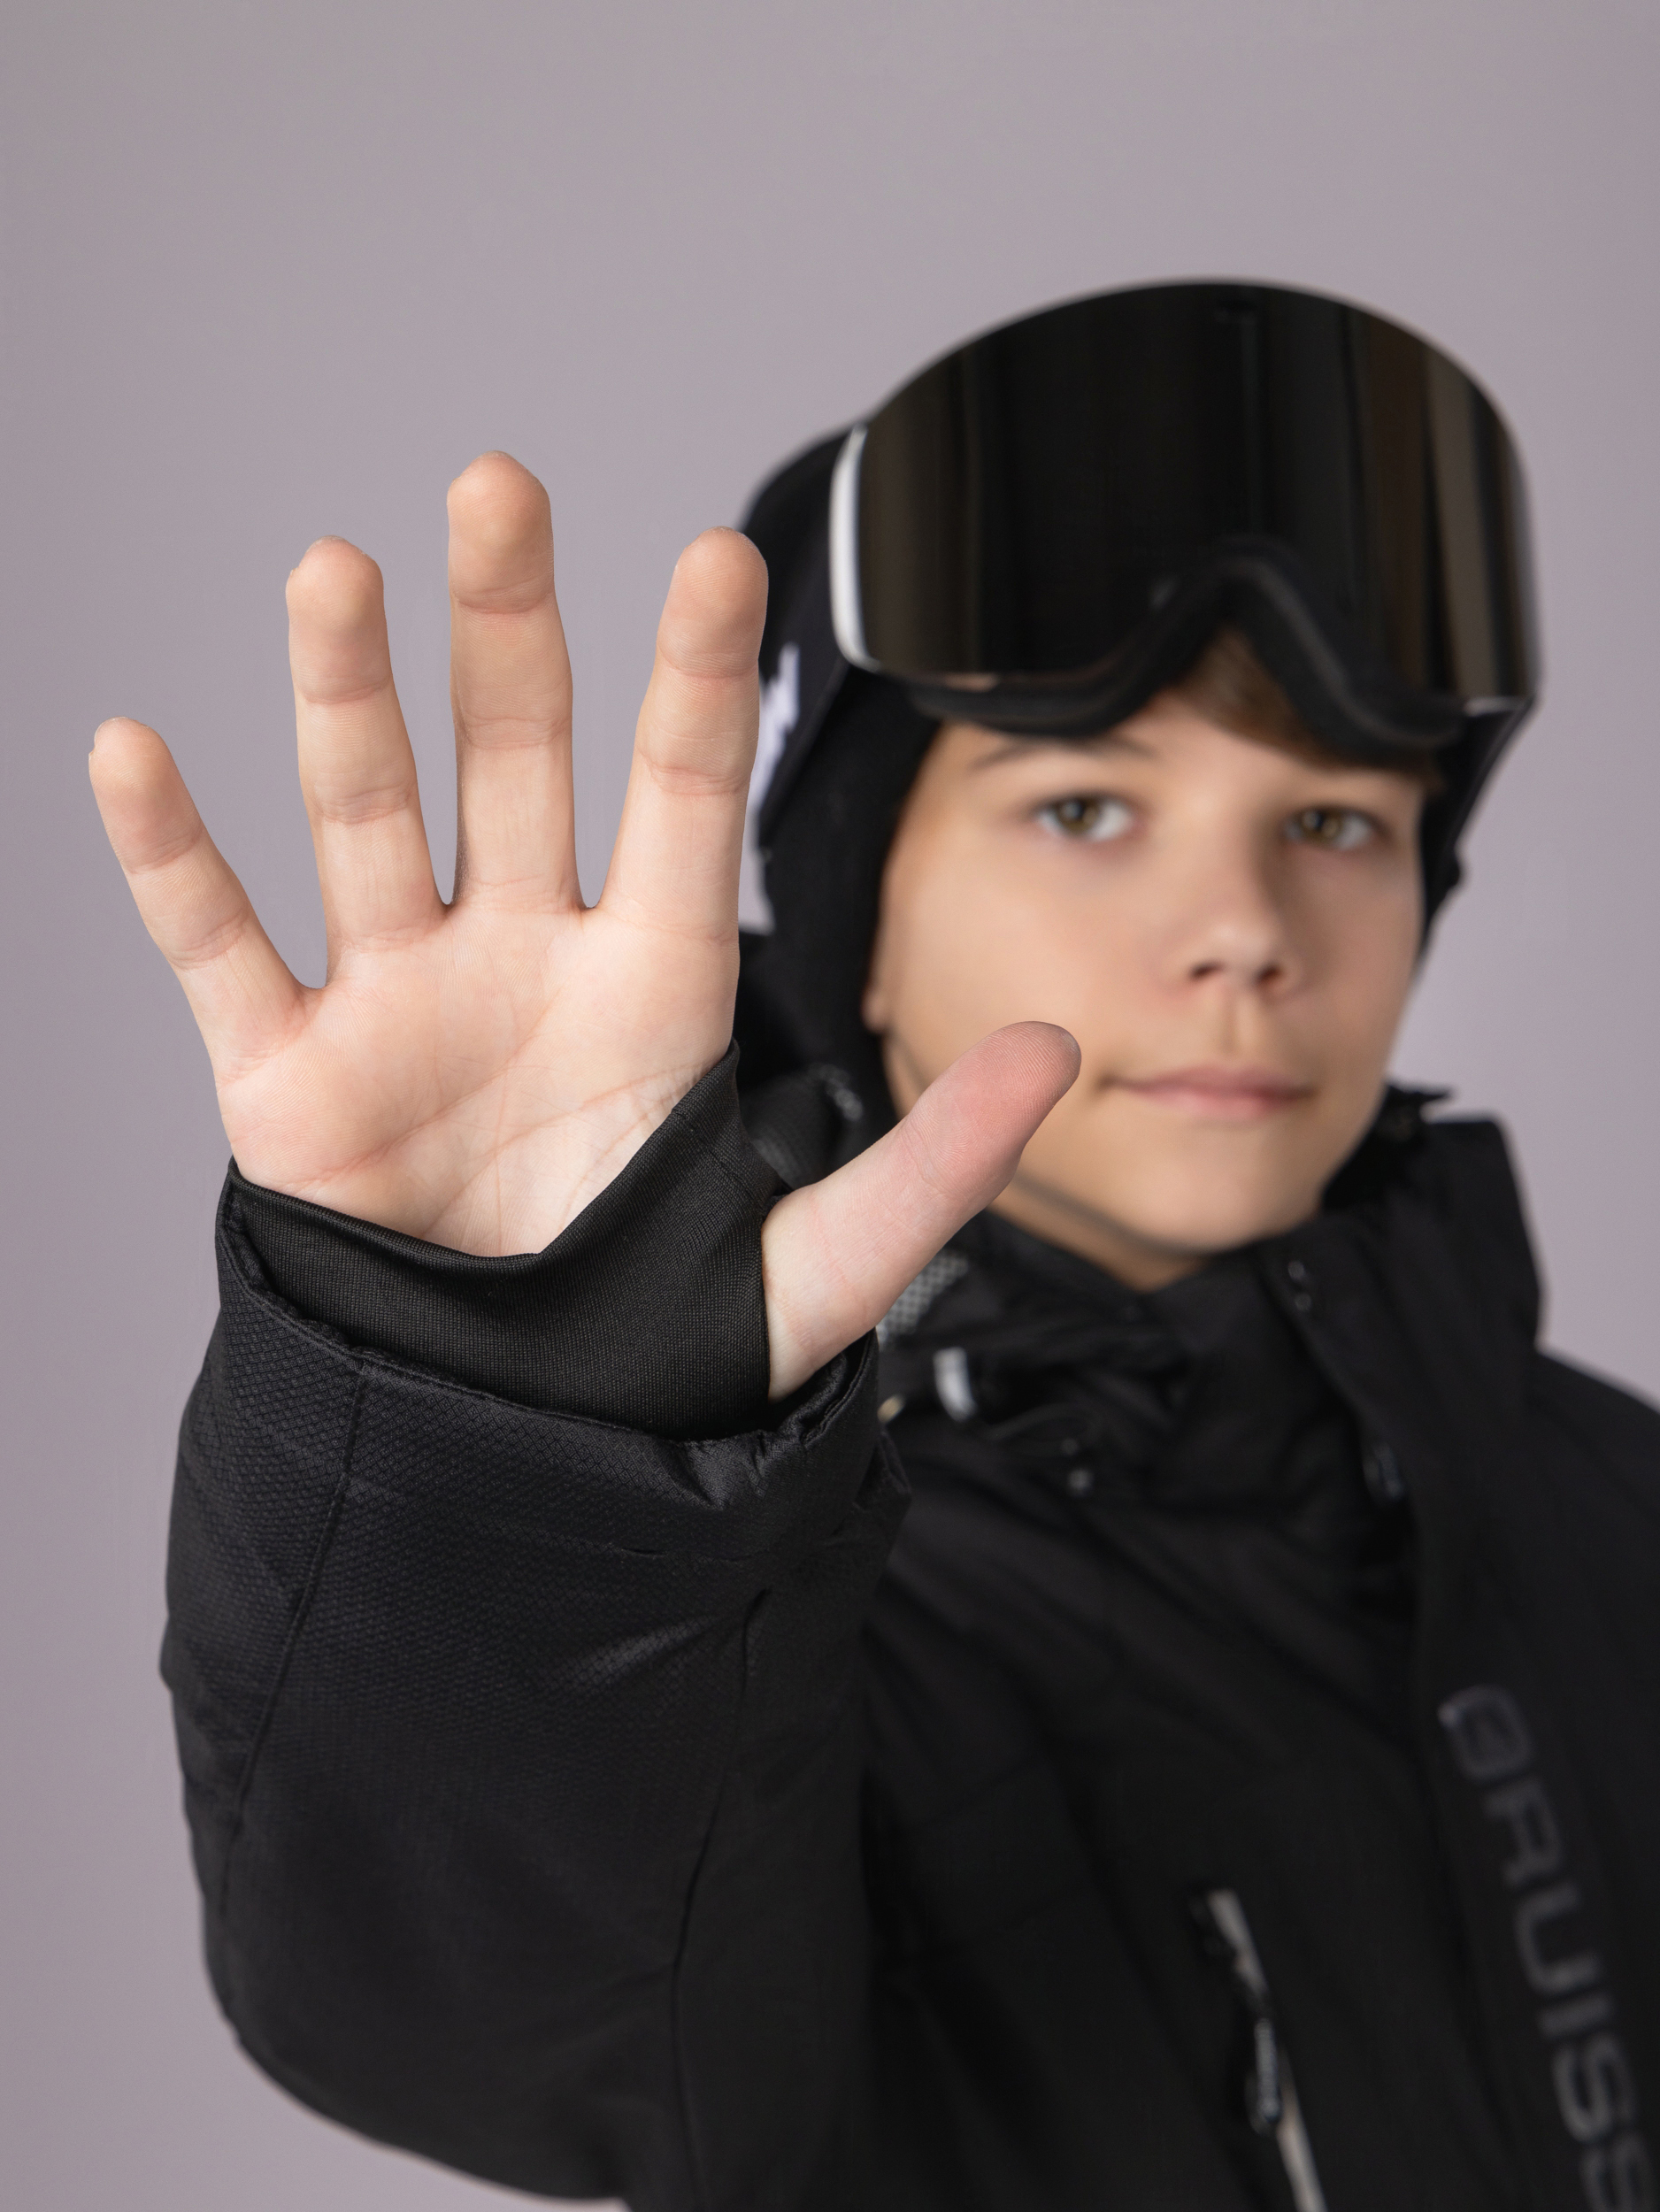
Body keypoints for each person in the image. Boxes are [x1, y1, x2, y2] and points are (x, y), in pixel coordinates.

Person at [90, 283, 1660, 2212]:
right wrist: (521, 1439)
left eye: (1334, 822)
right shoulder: (769, 1625)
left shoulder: (1612, 1502)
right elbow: (474, 2021)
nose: (1247, 930)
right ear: (860, 920)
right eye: (1083, 805)